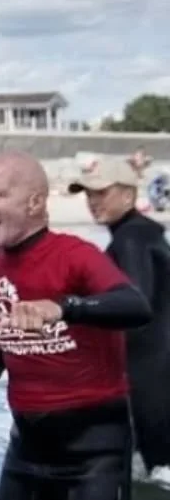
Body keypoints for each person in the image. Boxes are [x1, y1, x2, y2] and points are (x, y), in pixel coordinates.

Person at [0, 152, 151, 500]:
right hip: (28, 449)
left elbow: (136, 306)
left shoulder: (75, 255)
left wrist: (64, 307)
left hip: (94, 450)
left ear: (34, 202)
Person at [70, 158, 170, 474]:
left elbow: (135, 306)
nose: (92, 201)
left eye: (101, 193)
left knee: (157, 469)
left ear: (128, 195)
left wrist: (73, 310)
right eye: (88, 194)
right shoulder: (142, 235)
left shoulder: (130, 239)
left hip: (150, 379)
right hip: (157, 369)